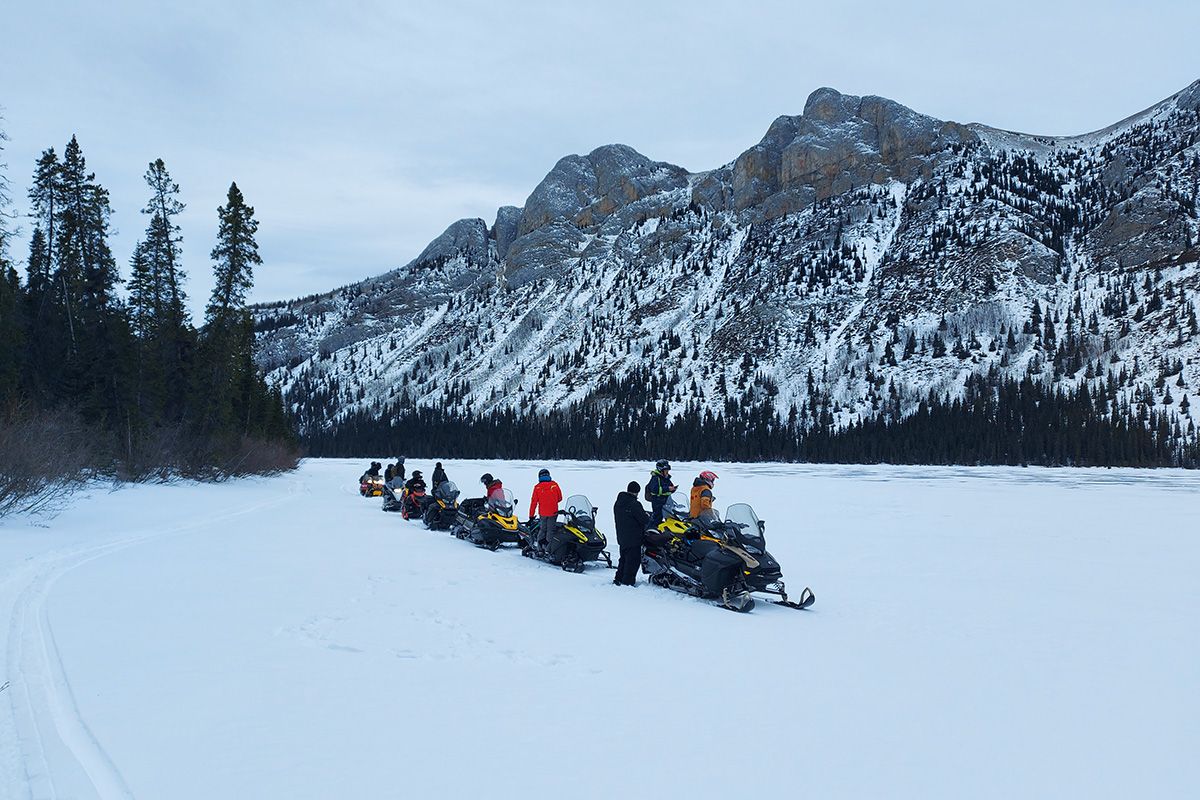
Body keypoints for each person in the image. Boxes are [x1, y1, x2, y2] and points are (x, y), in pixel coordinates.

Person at [613, 481, 650, 586]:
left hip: (622, 536)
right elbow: (644, 519)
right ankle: (627, 583)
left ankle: (618, 578)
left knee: (623, 559)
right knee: (632, 561)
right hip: (634, 538)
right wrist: (647, 516)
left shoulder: (619, 502)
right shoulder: (634, 504)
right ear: (637, 492)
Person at [528, 468, 563, 548]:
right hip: (553, 512)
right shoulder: (554, 485)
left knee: (543, 529)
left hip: (543, 513)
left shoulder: (537, 487)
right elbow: (560, 498)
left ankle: (539, 548)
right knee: (551, 530)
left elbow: (533, 503)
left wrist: (531, 515)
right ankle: (548, 548)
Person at [645, 459, 677, 524]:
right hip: (658, 501)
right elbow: (655, 489)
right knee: (657, 517)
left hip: (666, 501)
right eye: (666, 470)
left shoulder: (666, 478)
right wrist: (668, 489)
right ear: (660, 470)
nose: (667, 472)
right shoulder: (655, 478)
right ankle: (652, 530)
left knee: (671, 516)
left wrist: (673, 489)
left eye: (667, 470)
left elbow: (670, 486)